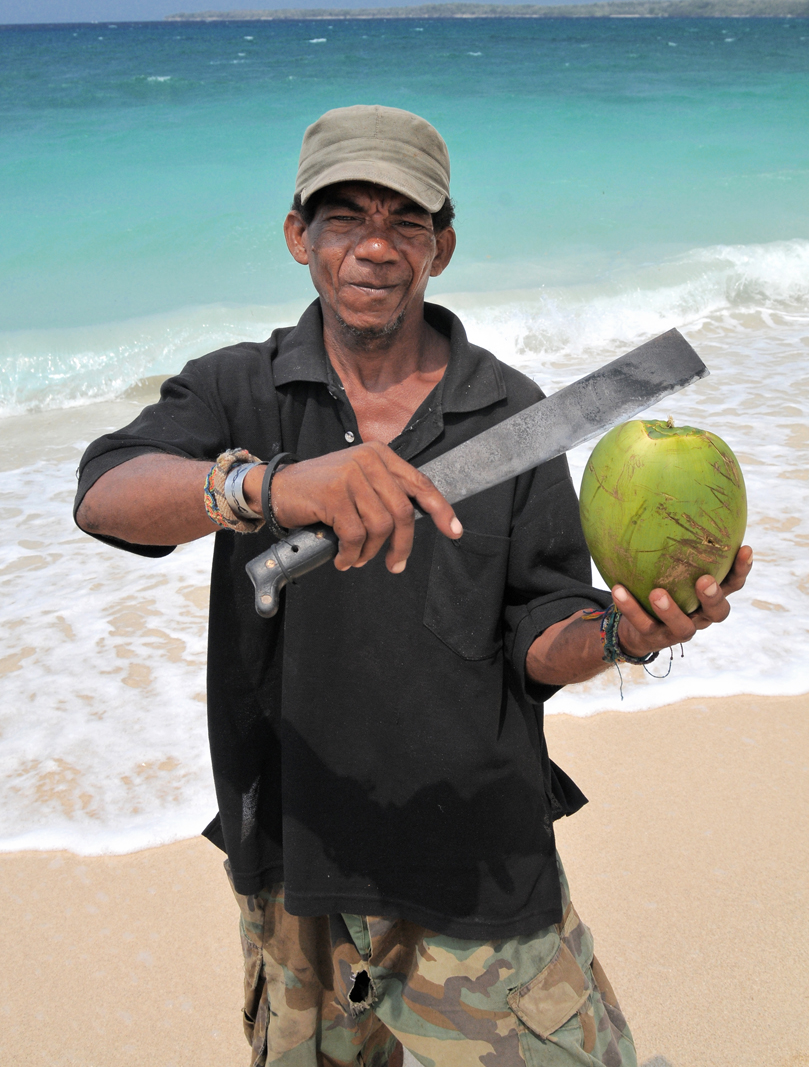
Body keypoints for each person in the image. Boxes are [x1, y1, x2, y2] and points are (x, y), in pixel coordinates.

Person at [74, 104, 751, 1067]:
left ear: (443, 246)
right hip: (295, 863)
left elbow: (542, 630)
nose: (375, 247)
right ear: (297, 236)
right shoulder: (240, 391)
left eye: (406, 221)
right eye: (344, 217)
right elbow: (105, 495)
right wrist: (267, 487)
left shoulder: (509, 411)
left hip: (477, 866)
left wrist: (624, 636)